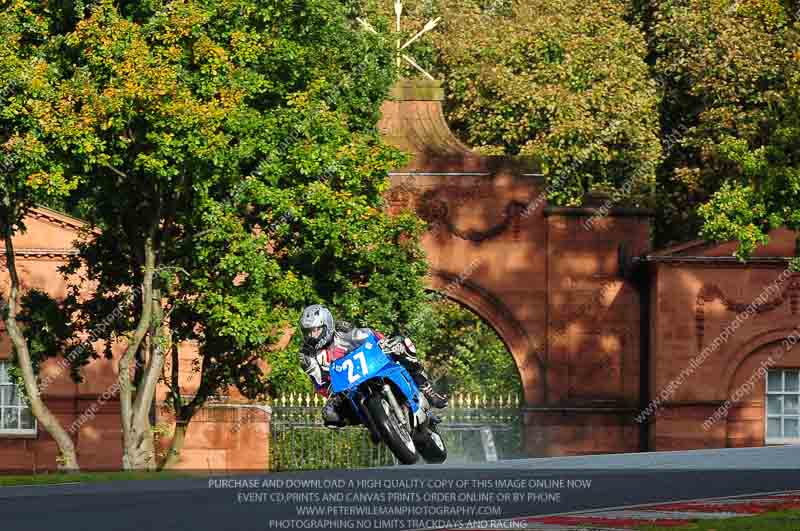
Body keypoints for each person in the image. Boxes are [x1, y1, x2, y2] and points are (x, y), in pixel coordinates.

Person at [297, 304, 448, 427]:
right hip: (345, 390)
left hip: (372, 366)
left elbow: (367, 335)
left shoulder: (342, 330)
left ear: (327, 325)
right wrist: (331, 393)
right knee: (330, 416)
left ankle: (427, 390)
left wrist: (385, 342)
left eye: (315, 331)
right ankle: (375, 425)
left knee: (403, 344)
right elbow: (319, 382)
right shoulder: (307, 355)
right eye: (308, 332)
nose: (312, 336)